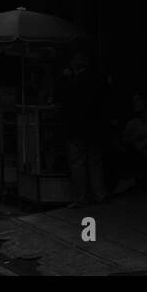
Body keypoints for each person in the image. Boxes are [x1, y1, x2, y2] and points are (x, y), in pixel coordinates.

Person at [55, 50, 109, 205]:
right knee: (94, 162)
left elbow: (59, 96)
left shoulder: (72, 82)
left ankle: (81, 198)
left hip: (75, 128)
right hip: (95, 127)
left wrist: (63, 78)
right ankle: (100, 195)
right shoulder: (98, 80)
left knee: (78, 163)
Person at [119, 93, 147, 188]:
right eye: (134, 101)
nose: (135, 104)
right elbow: (124, 140)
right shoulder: (132, 123)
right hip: (136, 155)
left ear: (146, 102)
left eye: (138, 100)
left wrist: (136, 137)